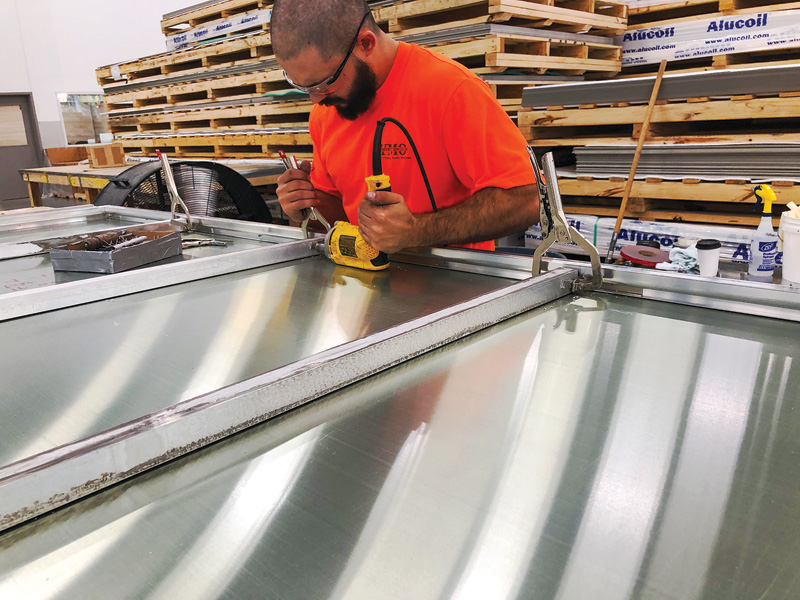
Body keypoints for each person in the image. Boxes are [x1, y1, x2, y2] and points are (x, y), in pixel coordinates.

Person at [271, 0, 539, 253]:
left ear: (366, 43)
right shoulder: (326, 113)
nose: (316, 99)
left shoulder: (451, 90)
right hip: (368, 284)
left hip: (456, 288)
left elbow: (527, 199)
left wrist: (417, 230)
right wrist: (306, 203)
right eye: (301, 86)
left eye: (324, 82)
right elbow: (341, 214)